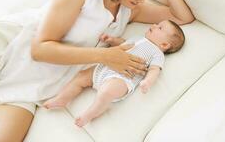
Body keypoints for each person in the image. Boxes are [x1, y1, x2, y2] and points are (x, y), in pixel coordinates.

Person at [0, 0, 194, 141]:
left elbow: (183, 17)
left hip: (33, 87)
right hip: (4, 47)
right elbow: (39, 49)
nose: (142, 0)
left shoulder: (131, 8)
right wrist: (106, 56)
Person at [43, 20, 185, 127]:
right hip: (104, 68)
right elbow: (123, 44)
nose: (154, 25)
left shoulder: (157, 53)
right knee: (81, 76)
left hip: (121, 79)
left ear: (165, 45)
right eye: (157, 24)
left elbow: (154, 70)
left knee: (106, 92)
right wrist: (112, 40)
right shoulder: (137, 38)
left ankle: (90, 114)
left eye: (160, 28)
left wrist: (147, 82)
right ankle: (62, 99)